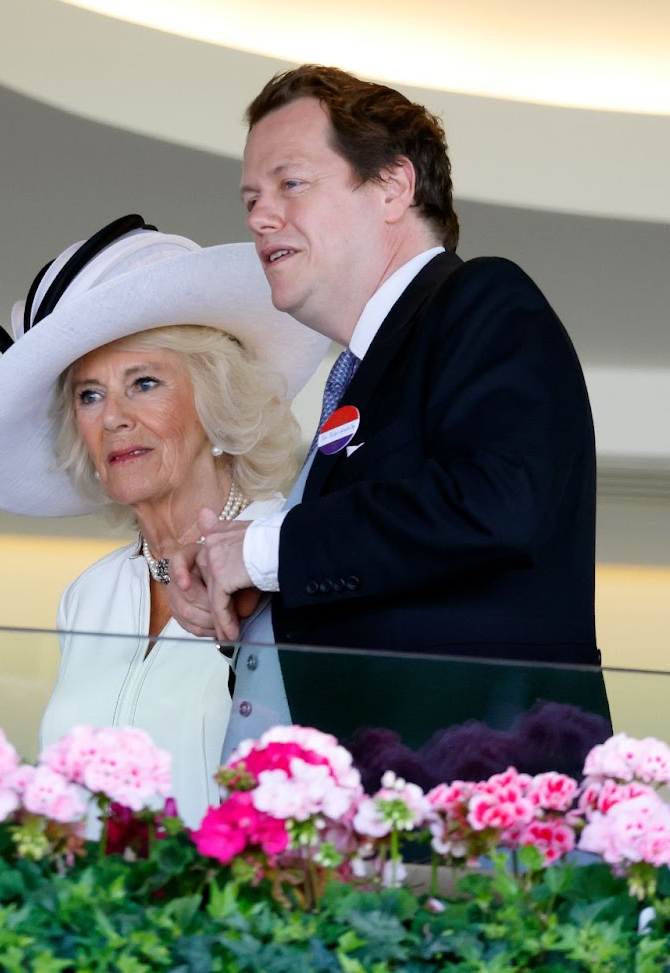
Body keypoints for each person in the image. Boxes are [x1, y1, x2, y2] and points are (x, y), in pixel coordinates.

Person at [171, 66, 611, 783]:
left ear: (393, 186)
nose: (258, 217)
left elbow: (497, 499)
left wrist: (263, 551)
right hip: (365, 822)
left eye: (291, 184)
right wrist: (262, 595)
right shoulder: (357, 377)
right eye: (251, 197)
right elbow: (383, 567)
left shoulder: (483, 301)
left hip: (472, 819)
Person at [0, 215, 326, 824]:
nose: (114, 418)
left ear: (214, 402)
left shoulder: (287, 556)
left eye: (144, 383)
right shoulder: (89, 596)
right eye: (89, 395)